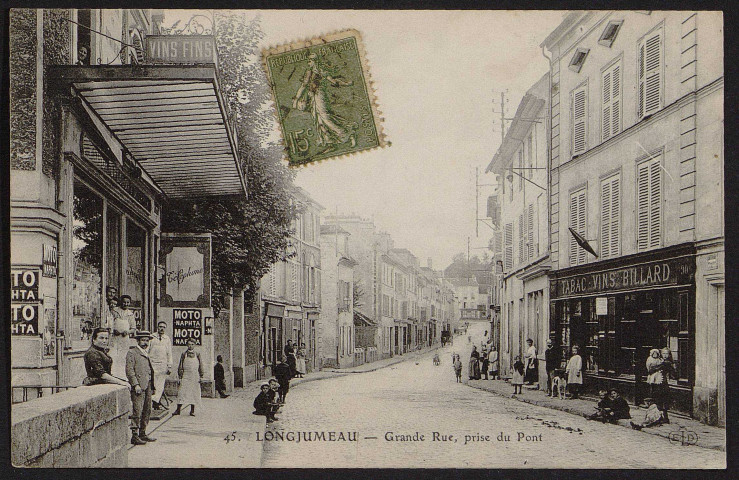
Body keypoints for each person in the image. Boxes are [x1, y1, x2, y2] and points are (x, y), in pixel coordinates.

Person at [292, 53, 357, 151]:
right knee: (318, 119)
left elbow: (333, 81)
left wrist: (346, 84)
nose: (308, 63)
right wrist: (296, 99)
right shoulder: (308, 72)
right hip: (313, 97)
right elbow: (304, 85)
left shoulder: (321, 71)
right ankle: (328, 141)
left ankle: (346, 134)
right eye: (308, 61)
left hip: (320, 96)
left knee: (325, 117)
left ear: (315, 61)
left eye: (310, 61)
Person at [125, 330, 156, 445]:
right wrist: (135, 384)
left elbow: (150, 370)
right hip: (138, 386)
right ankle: (134, 435)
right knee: (137, 410)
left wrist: (152, 386)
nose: (145, 342)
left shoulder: (146, 353)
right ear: (138, 341)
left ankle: (143, 432)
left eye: (147, 340)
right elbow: (129, 370)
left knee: (147, 409)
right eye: (143, 340)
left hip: (147, 385)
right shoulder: (132, 353)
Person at [173, 338, 203, 416]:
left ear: (195, 345)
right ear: (187, 345)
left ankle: (192, 410)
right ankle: (178, 409)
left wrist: (201, 376)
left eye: (192, 344)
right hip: (186, 375)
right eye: (189, 344)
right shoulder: (184, 354)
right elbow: (180, 366)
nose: (190, 346)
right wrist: (180, 376)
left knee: (194, 392)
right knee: (182, 392)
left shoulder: (197, 354)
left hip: (195, 376)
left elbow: (200, 365)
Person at [148, 321, 173, 410]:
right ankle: (151, 402)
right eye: (160, 327)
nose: (161, 329)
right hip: (153, 364)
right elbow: (147, 350)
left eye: (163, 327)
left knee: (160, 385)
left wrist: (169, 366)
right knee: (153, 384)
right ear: (157, 327)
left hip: (162, 365)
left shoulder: (167, 339)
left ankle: (156, 403)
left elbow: (169, 353)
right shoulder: (152, 337)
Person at [656, 347, 677, 424]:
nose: (665, 355)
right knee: (661, 399)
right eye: (663, 353)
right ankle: (663, 417)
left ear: (669, 355)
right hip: (659, 382)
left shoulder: (666, 363)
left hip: (663, 383)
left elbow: (673, 374)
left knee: (662, 399)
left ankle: (663, 417)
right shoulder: (662, 361)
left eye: (666, 354)